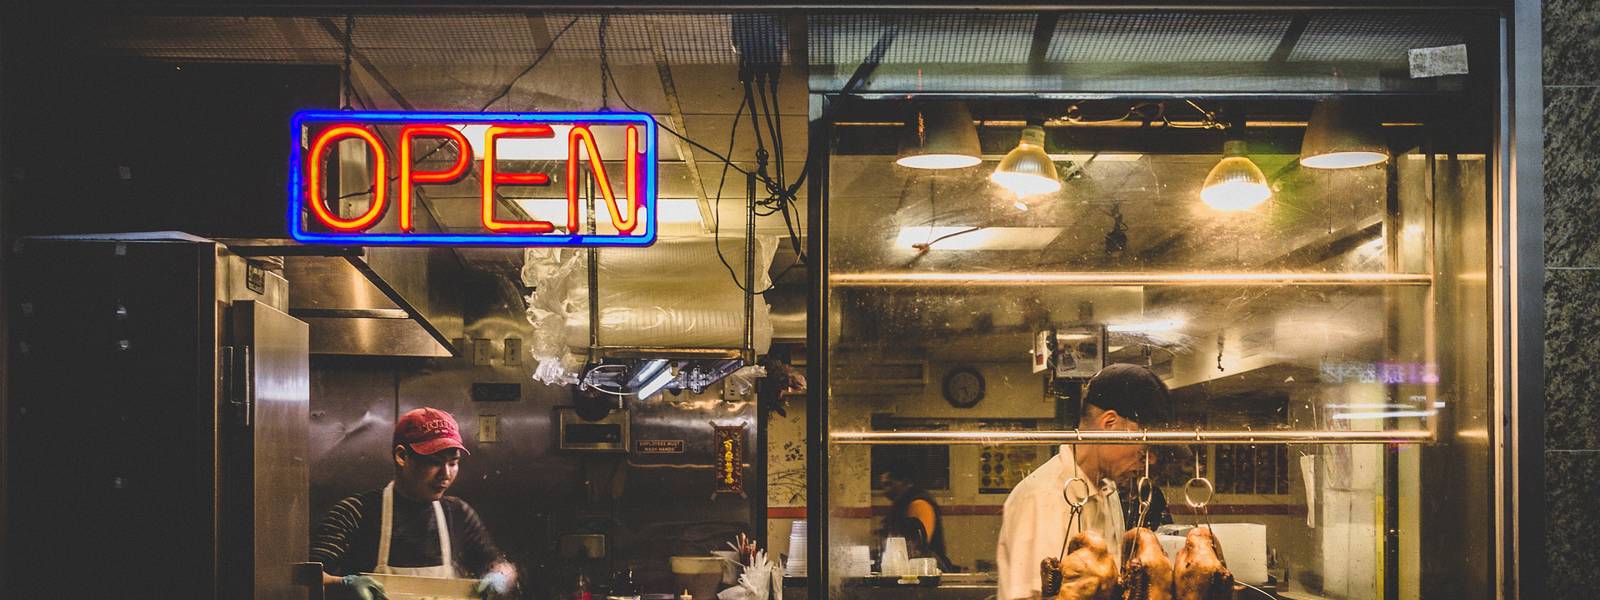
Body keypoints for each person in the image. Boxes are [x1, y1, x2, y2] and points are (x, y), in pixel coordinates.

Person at [995, 364, 1171, 600]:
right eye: (1145, 447)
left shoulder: (1107, 491)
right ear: (1110, 424)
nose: (1150, 460)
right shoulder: (1042, 497)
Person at [312, 407, 518, 600]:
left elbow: (500, 565)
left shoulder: (457, 514)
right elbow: (306, 576)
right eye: (435, 462)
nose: (446, 474)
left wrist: (499, 578)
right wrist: (343, 584)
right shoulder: (356, 511)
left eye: (453, 463)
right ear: (402, 456)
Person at [878, 457, 955, 573]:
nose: (885, 491)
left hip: (926, 571)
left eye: (889, 484)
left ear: (904, 482)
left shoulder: (919, 504)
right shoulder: (902, 504)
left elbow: (918, 546)